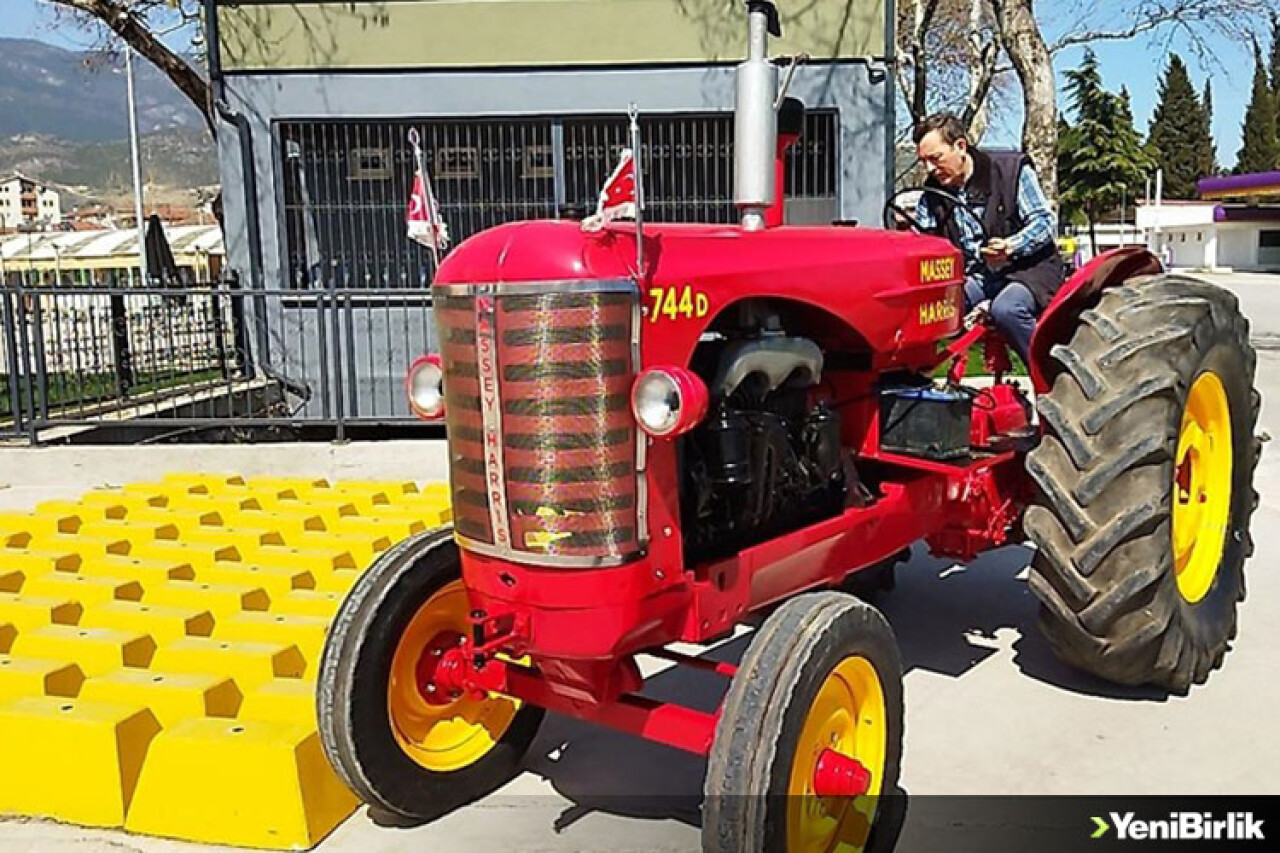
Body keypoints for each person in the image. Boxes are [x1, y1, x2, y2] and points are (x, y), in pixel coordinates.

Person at [910, 113, 1066, 362]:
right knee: (928, 310)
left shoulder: (1010, 170)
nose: (929, 169)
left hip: (1028, 270)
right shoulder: (931, 194)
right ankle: (914, 381)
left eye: (935, 158)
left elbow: (1045, 222)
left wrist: (1011, 246)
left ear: (960, 146)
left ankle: (1051, 376)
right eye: (923, 161)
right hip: (978, 276)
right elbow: (922, 241)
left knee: (1007, 310)